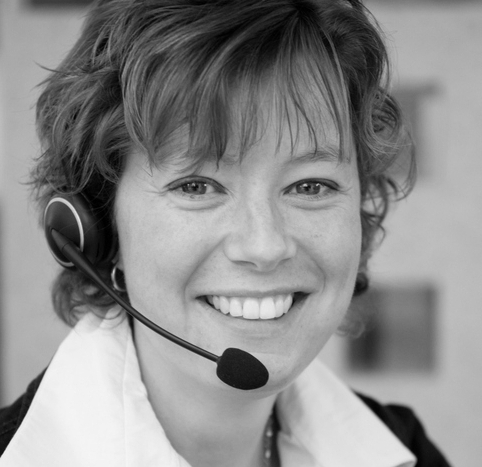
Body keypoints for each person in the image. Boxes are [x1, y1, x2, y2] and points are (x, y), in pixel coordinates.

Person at [0, 0, 451, 465]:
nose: (265, 247)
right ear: (99, 225)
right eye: (197, 186)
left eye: (310, 186)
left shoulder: (406, 450)